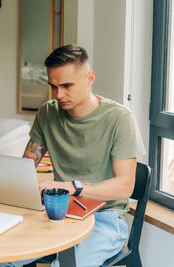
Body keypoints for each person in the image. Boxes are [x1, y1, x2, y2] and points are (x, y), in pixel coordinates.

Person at [22, 44, 145, 267]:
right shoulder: (47, 113)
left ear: (90, 77)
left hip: (105, 218)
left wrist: (74, 186)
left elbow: (125, 187)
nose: (59, 95)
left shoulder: (119, 119)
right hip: (57, 212)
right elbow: (25, 169)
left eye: (67, 85)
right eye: (53, 86)